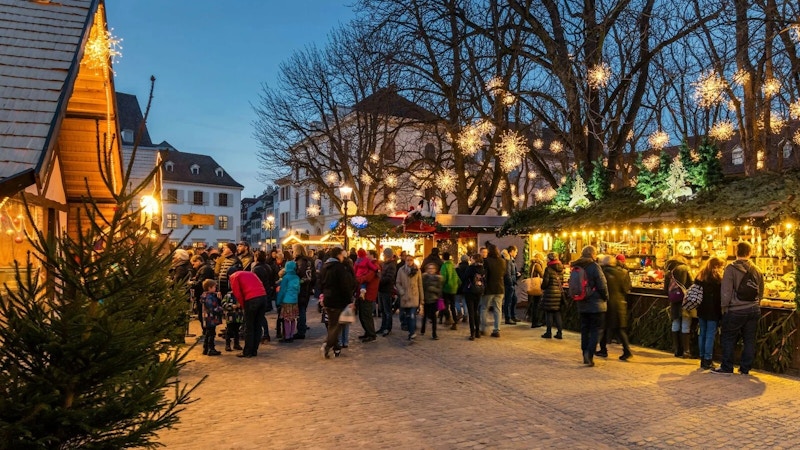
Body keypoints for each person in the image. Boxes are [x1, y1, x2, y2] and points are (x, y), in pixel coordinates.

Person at [713, 242, 763, 375]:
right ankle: (745, 368)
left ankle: (727, 367)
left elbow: (726, 291)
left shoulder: (730, 269)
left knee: (728, 338)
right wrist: (757, 303)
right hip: (753, 309)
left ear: (736, 252)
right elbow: (761, 290)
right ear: (750, 253)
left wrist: (724, 307)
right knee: (749, 339)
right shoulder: (756, 269)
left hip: (736, 310)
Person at [571, 245, 609, 367]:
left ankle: (584, 353)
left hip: (582, 302)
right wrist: (606, 297)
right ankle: (590, 353)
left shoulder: (577, 266)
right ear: (593, 254)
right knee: (596, 330)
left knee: (584, 330)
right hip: (596, 303)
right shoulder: (594, 267)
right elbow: (602, 284)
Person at [319, 247, 357, 359]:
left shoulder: (325, 266)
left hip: (328, 299)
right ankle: (327, 345)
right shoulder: (339, 268)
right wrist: (349, 301)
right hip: (338, 300)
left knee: (332, 324)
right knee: (337, 325)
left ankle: (336, 347)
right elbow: (344, 285)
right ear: (338, 255)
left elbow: (320, 283)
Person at [597, 255, 633, 361]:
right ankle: (626, 350)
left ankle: (603, 349)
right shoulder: (624, 273)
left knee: (603, 327)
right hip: (619, 303)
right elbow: (627, 289)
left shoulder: (602, 273)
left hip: (606, 302)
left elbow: (600, 288)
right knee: (619, 329)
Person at [228, 270, 268, 358]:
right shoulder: (251, 273)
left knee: (249, 326)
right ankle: (254, 350)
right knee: (258, 325)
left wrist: (243, 305)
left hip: (251, 299)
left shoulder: (234, 276)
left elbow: (237, 293)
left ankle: (247, 351)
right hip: (263, 297)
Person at [695, 257, 724, 370]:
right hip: (713, 310)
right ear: (716, 266)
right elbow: (719, 296)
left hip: (701, 309)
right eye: (721, 266)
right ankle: (708, 359)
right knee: (710, 334)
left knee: (702, 333)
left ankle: (702, 358)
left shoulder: (700, 276)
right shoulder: (717, 279)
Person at [664, 253, 693, 358]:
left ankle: (677, 350)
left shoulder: (668, 272)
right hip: (685, 300)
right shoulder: (685, 268)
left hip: (674, 300)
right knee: (685, 323)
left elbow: (665, 289)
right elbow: (692, 283)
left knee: (675, 322)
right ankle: (686, 351)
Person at [481, 242, 506, 338]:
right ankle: (496, 330)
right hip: (500, 288)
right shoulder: (503, 261)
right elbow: (504, 274)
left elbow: (485, 275)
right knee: (498, 310)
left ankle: (483, 328)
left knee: (484, 308)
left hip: (489, 288)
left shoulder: (486, 261)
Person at [395, 254, 423, 341]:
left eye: (411, 260)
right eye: (408, 260)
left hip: (414, 296)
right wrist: (401, 291)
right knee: (407, 315)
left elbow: (420, 285)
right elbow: (398, 282)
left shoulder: (417, 270)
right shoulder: (401, 270)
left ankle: (412, 333)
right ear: (405, 261)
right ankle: (410, 331)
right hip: (405, 297)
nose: (409, 262)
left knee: (412, 315)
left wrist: (422, 299)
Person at [292, 244, 316, 340]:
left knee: (301, 309)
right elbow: (313, 276)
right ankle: (303, 326)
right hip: (308, 287)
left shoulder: (300, 261)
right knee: (303, 308)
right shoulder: (310, 260)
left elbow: (300, 274)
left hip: (301, 288)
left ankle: (301, 331)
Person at [355, 249, 380, 342]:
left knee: (366, 315)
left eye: (368, 254)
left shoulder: (375, 265)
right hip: (363, 293)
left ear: (372, 255)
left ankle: (371, 334)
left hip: (368, 293)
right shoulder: (368, 264)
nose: (366, 256)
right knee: (362, 314)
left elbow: (368, 277)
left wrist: (358, 279)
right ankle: (367, 332)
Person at [251, 250, 275, 343]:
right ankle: (265, 334)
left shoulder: (256, 269)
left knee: (259, 315)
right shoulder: (268, 267)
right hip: (267, 292)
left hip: (259, 293)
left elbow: (254, 282)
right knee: (261, 315)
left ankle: (264, 334)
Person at [539, 252, 565, 339]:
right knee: (557, 313)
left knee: (549, 313)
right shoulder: (561, 268)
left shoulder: (548, 269)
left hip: (549, 294)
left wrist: (542, 286)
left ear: (550, 259)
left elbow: (545, 282)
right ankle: (560, 333)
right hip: (558, 294)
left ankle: (548, 332)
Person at [190, 254, 215, 333]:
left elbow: (201, 282)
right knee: (202, 314)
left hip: (203, 295)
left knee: (203, 314)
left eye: (194, 264)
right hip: (202, 294)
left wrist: (191, 284)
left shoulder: (204, 269)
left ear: (198, 261)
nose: (193, 266)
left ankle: (206, 332)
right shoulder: (203, 269)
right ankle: (206, 332)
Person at [276, 260, 300, 343]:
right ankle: (292, 335)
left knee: (286, 319)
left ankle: (287, 336)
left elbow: (282, 291)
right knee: (293, 319)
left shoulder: (286, 278)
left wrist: (278, 301)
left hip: (286, 300)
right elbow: (298, 290)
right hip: (294, 300)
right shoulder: (296, 277)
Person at [463, 254, 486, 340]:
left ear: (475, 259)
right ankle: (477, 331)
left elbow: (465, 277)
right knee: (476, 311)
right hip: (479, 291)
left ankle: (472, 333)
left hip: (470, 291)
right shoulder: (482, 268)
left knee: (471, 312)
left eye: (471, 259)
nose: (470, 260)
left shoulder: (471, 268)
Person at [377, 248, 397, 337]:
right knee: (383, 310)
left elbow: (389, 278)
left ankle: (388, 328)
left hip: (387, 290)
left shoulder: (391, 265)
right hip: (381, 289)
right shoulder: (384, 264)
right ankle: (383, 326)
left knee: (387, 310)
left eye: (384, 254)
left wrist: (379, 279)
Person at [200, 279, 223, 356]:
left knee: (208, 333)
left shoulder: (205, 296)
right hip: (210, 318)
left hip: (207, 317)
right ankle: (211, 348)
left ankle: (205, 348)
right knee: (211, 333)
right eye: (214, 287)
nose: (215, 289)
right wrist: (220, 309)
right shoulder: (209, 297)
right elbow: (212, 307)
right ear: (209, 288)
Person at [420, 263, 443, 340]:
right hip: (426, 299)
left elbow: (440, 290)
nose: (431, 270)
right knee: (425, 315)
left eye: (432, 268)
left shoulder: (438, 278)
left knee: (433, 317)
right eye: (429, 268)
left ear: (435, 270)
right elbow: (421, 288)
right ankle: (423, 328)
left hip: (434, 299)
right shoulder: (424, 278)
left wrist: (432, 289)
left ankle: (434, 333)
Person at [439, 252, 460, 329]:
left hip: (446, 288)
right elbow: (457, 277)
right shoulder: (452, 265)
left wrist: (441, 286)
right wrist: (458, 285)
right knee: (453, 306)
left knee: (444, 305)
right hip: (454, 289)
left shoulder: (444, 266)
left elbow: (443, 278)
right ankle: (455, 322)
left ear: (443, 258)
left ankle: (447, 319)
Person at [502, 246, 521, 325]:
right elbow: (508, 273)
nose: (516, 254)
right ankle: (508, 317)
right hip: (509, 284)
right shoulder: (508, 261)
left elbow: (512, 272)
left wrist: (517, 275)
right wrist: (510, 283)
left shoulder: (512, 261)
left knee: (514, 300)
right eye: (516, 252)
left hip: (512, 282)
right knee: (508, 301)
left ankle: (512, 316)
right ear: (511, 251)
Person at [528, 252, 546, 328]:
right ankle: (535, 322)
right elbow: (542, 275)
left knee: (535, 304)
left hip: (533, 286)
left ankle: (534, 321)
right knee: (537, 304)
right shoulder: (537, 265)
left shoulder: (532, 264)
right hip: (537, 286)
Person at [454, 254, 470, 324]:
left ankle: (459, 312)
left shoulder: (457, 268)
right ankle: (465, 315)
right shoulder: (469, 268)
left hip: (458, 287)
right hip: (466, 287)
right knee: (465, 302)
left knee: (456, 301)